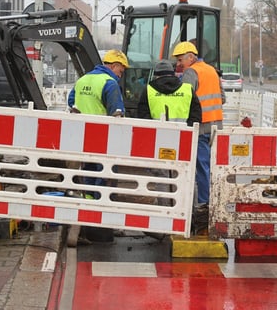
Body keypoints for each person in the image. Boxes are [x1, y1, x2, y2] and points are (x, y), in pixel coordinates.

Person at [66, 49, 128, 246]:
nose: (121, 74)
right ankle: (102, 220)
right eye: (121, 70)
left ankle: (87, 216)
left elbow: (72, 103)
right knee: (106, 178)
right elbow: (117, 114)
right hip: (103, 140)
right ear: (114, 66)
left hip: (84, 139)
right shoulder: (109, 83)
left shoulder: (83, 80)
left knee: (88, 177)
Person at [172, 41, 224, 207]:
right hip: (216, 125)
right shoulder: (211, 70)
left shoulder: (191, 72)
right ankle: (214, 201)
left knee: (201, 167)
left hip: (201, 126)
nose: (179, 64)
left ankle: (204, 204)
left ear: (190, 57)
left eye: (180, 60)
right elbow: (222, 98)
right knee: (212, 167)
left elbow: (185, 98)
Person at [137, 59, 201, 127]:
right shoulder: (187, 89)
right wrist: (187, 128)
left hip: (156, 132)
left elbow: (143, 115)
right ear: (173, 74)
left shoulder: (149, 90)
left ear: (156, 75)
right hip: (183, 132)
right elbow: (196, 115)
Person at [67, 49, 128, 117]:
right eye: (120, 71)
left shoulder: (81, 80)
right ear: (114, 66)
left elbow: (71, 102)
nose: (120, 76)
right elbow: (116, 112)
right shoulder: (110, 83)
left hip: (81, 123)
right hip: (100, 123)